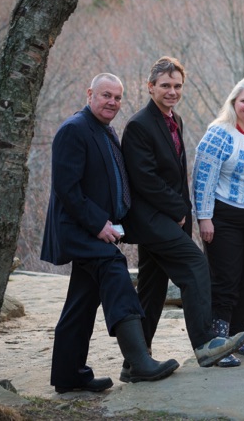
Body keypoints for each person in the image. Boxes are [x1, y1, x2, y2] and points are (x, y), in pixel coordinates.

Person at [41, 73, 179, 393]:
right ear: (90, 94)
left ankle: (69, 376)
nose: (113, 103)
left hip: (96, 228)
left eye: (117, 98)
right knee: (114, 267)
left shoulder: (105, 130)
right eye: (106, 95)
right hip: (78, 229)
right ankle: (138, 362)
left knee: (82, 300)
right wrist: (98, 224)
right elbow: (66, 188)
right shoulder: (74, 129)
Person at [122, 56, 244, 369]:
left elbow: (176, 174)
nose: (172, 91)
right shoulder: (138, 125)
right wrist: (179, 209)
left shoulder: (174, 119)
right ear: (150, 87)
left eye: (177, 86)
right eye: (165, 85)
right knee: (195, 265)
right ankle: (205, 343)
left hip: (170, 219)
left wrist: (182, 215)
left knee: (152, 289)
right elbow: (144, 178)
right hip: (151, 219)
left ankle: (135, 362)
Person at [192, 76, 244, 367]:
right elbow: (203, 178)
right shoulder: (219, 133)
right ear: (233, 103)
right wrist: (204, 218)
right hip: (224, 218)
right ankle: (218, 344)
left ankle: (238, 337)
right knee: (225, 280)